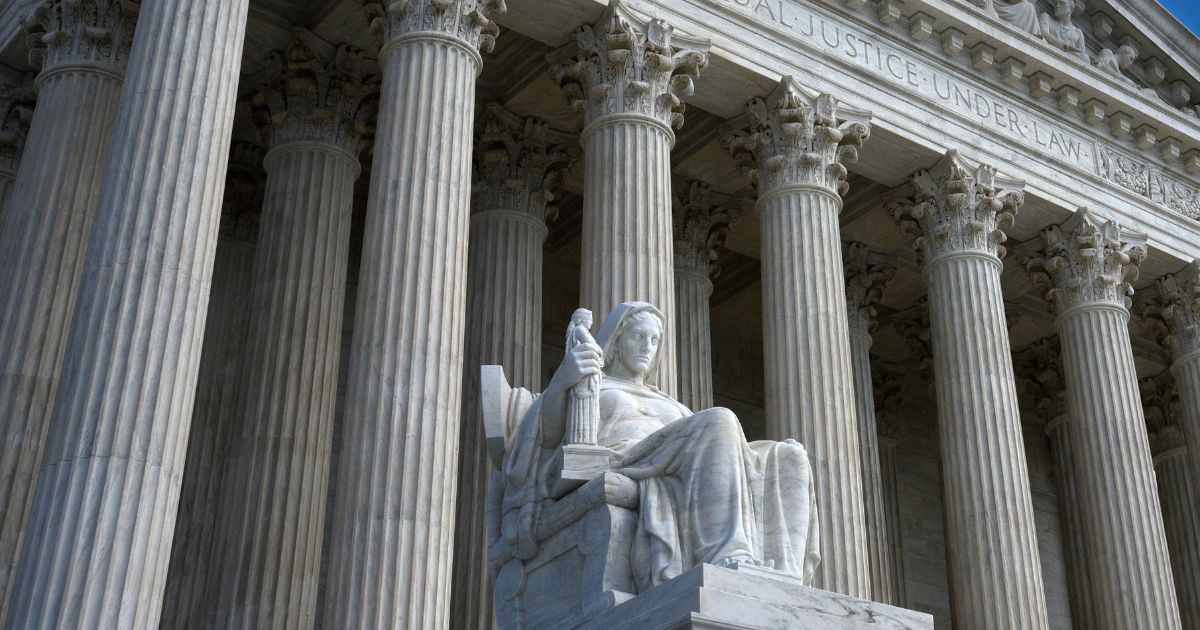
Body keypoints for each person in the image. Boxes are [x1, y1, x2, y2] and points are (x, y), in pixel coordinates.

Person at [498, 301, 821, 592]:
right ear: (617, 340)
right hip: (624, 458)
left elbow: (714, 453)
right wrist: (562, 381)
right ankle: (727, 553)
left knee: (790, 456)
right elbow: (547, 436)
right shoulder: (592, 383)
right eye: (638, 336)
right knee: (719, 419)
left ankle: (786, 582)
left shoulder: (672, 404)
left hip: (676, 464)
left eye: (654, 340)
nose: (647, 347)